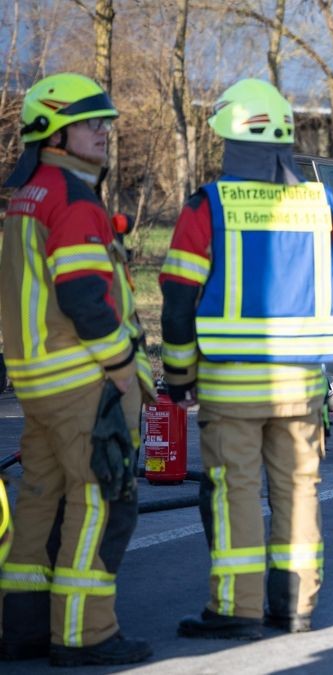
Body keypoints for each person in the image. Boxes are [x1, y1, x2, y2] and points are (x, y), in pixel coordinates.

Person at [160, 78, 333, 640]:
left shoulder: (208, 206)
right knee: (299, 492)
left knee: (235, 494)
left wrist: (178, 376)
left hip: (231, 388)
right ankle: (296, 607)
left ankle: (237, 609)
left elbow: (177, 301)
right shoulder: (318, 206)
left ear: (228, 141)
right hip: (303, 387)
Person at [0, 73, 154, 666]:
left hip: (36, 381)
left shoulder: (29, 193)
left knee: (40, 497)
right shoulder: (71, 197)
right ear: (55, 132)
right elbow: (85, 296)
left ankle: (24, 630)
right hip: (81, 380)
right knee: (102, 502)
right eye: (93, 123)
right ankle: (85, 637)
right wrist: (121, 369)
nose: (105, 132)